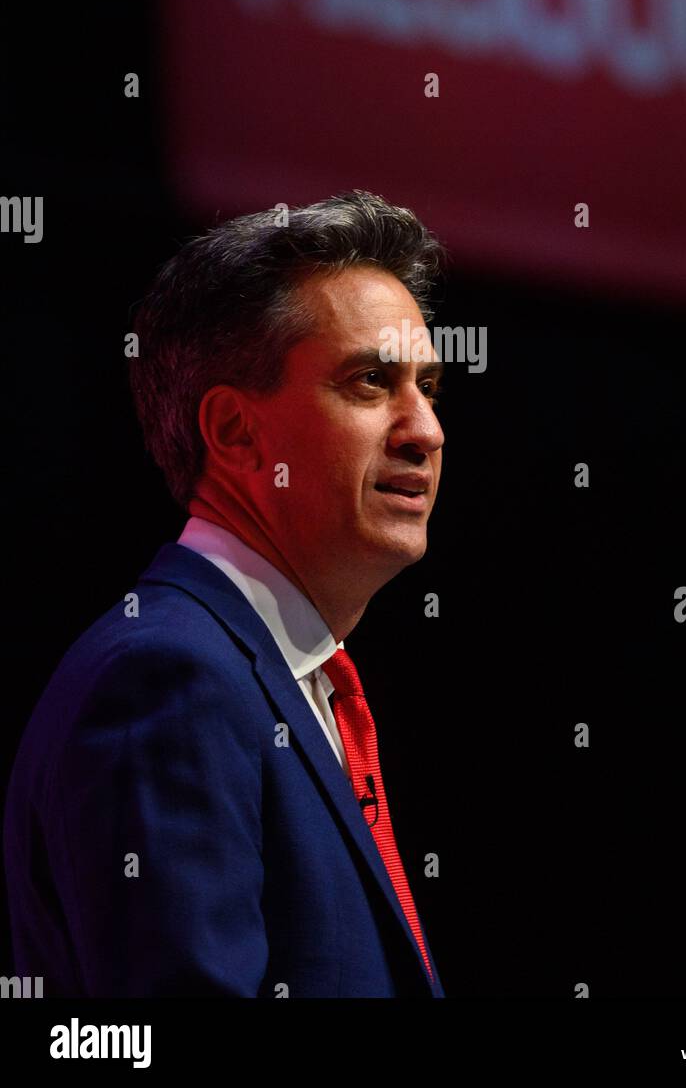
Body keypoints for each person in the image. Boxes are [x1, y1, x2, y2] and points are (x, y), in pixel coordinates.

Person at [3, 190, 447, 997]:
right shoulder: (169, 680)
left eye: (429, 387)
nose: (424, 430)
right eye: (371, 382)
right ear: (237, 434)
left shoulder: (277, 680)